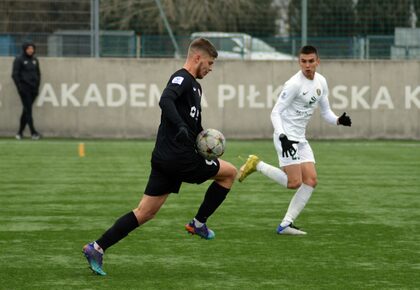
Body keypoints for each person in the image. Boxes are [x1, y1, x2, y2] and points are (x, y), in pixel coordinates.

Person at [82, 38, 237, 276]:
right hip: (180, 159)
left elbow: (192, 123)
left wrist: (204, 138)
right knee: (229, 174)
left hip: (166, 159)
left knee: (145, 212)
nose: (210, 68)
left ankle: (97, 247)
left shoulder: (195, 86)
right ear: (197, 58)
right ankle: (198, 223)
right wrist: (181, 127)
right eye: (209, 62)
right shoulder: (182, 78)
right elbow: (165, 100)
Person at [238, 45, 351, 235]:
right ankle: (256, 164)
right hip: (286, 137)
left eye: (311, 61)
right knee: (294, 183)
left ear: (317, 61)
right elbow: (275, 112)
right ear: (299, 62)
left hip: (300, 138)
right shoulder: (293, 84)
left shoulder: (321, 82)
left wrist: (338, 120)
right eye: (303, 62)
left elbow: (325, 112)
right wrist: (282, 137)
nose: (307, 65)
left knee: (311, 180)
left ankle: (285, 224)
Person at [12, 41, 41, 140]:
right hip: (24, 89)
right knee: (28, 110)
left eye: (32, 48)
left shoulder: (35, 60)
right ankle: (33, 132)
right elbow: (15, 75)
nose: (31, 50)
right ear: (25, 49)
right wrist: (20, 87)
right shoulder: (19, 59)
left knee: (26, 111)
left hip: (33, 90)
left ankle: (19, 133)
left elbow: (38, 74)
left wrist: (37, 87)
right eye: (29, 48)